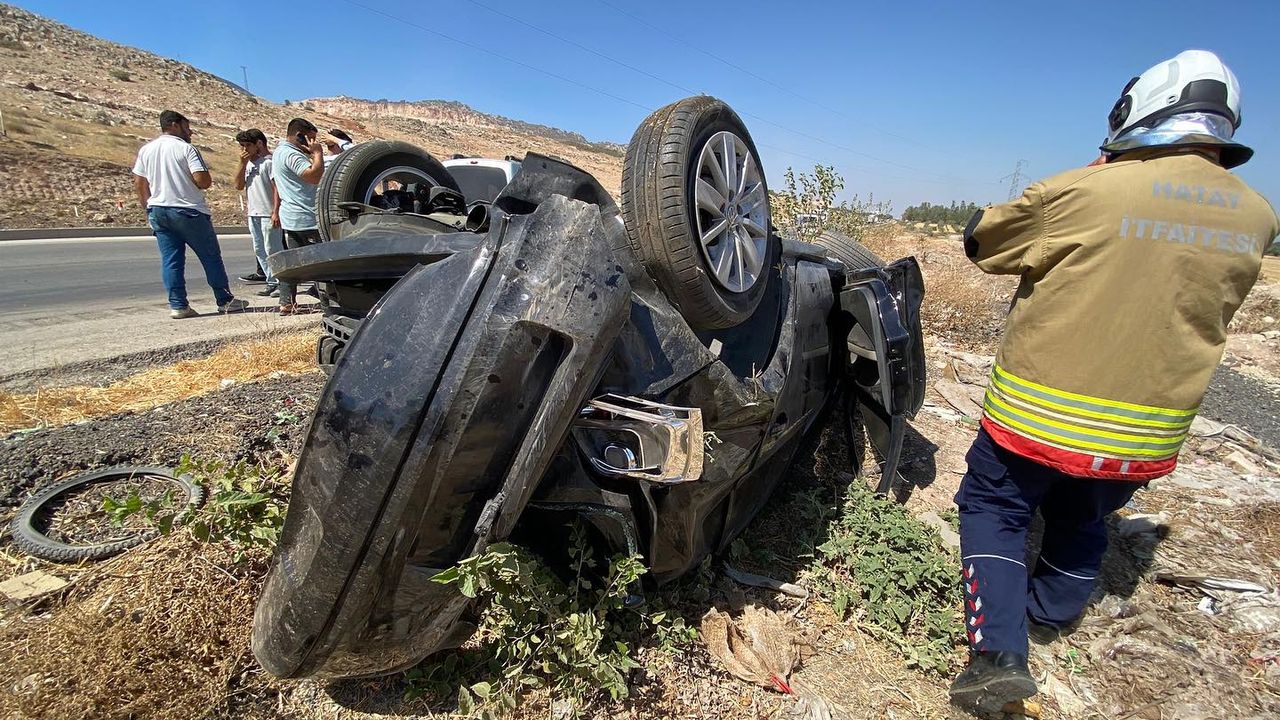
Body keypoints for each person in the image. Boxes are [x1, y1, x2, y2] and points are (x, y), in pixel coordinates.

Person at [949, 49, 1279, 709]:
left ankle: (997, 657)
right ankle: (1053, 609)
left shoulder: (1083, 190)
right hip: (1144, 433)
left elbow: (982, 242)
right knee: (1086, 509)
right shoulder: (1257, 216)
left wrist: (1094, 177)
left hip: (1037, 419)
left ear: (1140, 111)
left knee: (996, 507)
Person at [132, 110, 248, 318]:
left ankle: (178, 305)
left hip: (158, 210)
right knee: (210, 257)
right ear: (175, 125)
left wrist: (148, 209)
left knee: (171, 260)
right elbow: (203, 181)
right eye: (187, 127)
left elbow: (140, 182)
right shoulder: (186, 149)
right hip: (188, 210)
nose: (190, 131)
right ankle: (224, 300)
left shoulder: (146, 150)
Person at [272, 118, 325, 315]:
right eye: (310, 138)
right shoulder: (291, 154)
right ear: (299, 135)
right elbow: (314, 176)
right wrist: (317, 153)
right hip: (306, 217)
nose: (312, 143)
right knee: (322, 261)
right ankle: (325, 297)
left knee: (293, 263)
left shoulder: (279, 152)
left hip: (292, 217)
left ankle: (287, 302)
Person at [234, 129, 283, 297]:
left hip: (268, 212)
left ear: (258, 145)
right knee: (259, 249)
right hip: (253, 213)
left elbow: (277, 188)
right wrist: (241, 164)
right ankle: (271, 281)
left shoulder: (268, 163)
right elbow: (238, 185)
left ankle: (281, 283)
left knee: (273, 249)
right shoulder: (247, 164)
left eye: (248, 145)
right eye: (242, 146)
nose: (245, 149)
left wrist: (275, 211)